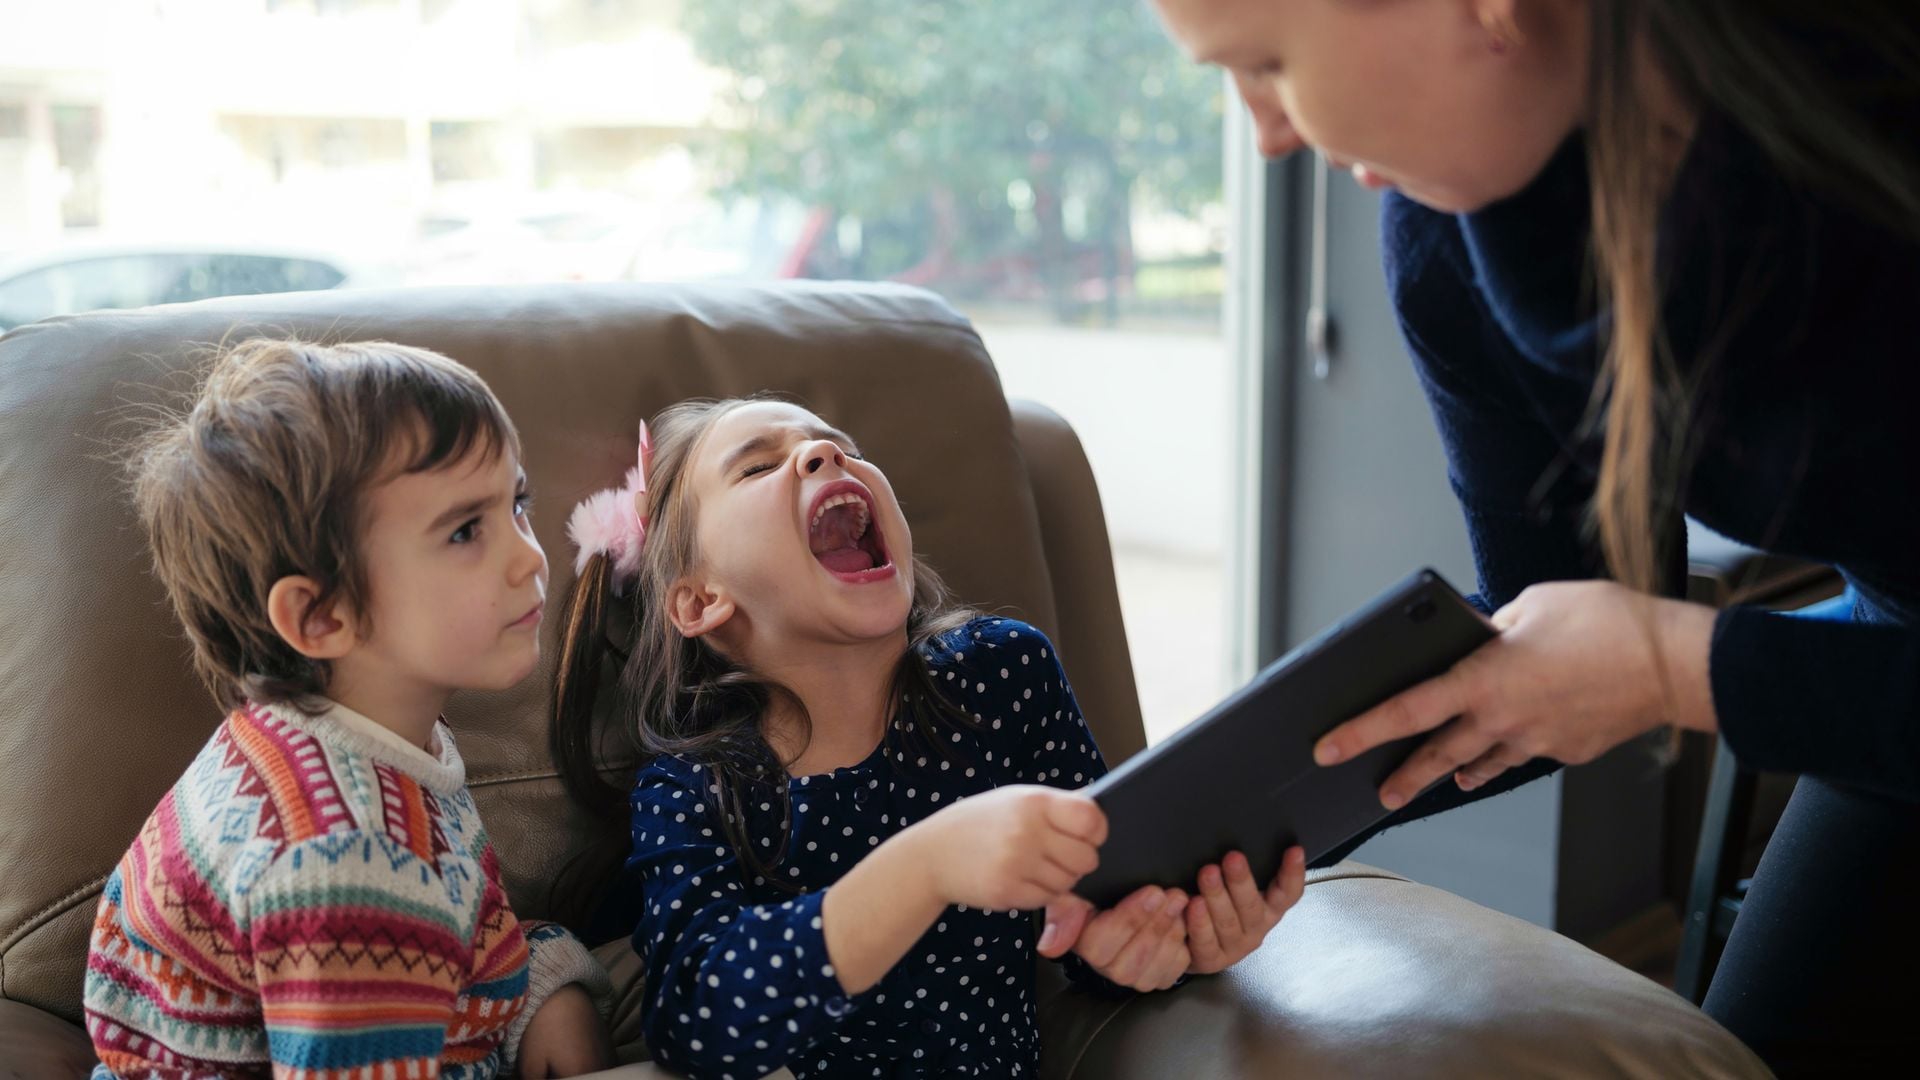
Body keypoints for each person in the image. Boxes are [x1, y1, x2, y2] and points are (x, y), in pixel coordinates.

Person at [1141, 0, 1920, 1072]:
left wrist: (1673, 668)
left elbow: (1631, 655)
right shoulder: (1450, 248)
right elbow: (1527, 646)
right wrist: (1206, 840)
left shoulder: (1872, 129)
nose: (1266, 133)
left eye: (1268, 63)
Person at [549, 397, 1308, 1079]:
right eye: (756, 466)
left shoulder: (1004, 674)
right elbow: (697, 1020)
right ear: (700, 601)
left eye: (833, 442)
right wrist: (925, 867)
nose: (824, 454)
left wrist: (1167, 946)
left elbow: (1093, 924)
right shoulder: (695, 787)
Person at [86, 339, 613, 1078]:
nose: (528, 555)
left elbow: (449, 931)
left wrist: (545, 992)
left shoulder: (344, 733)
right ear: (322, 617)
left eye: (515, 503)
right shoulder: (346, 858)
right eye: (466, 530)